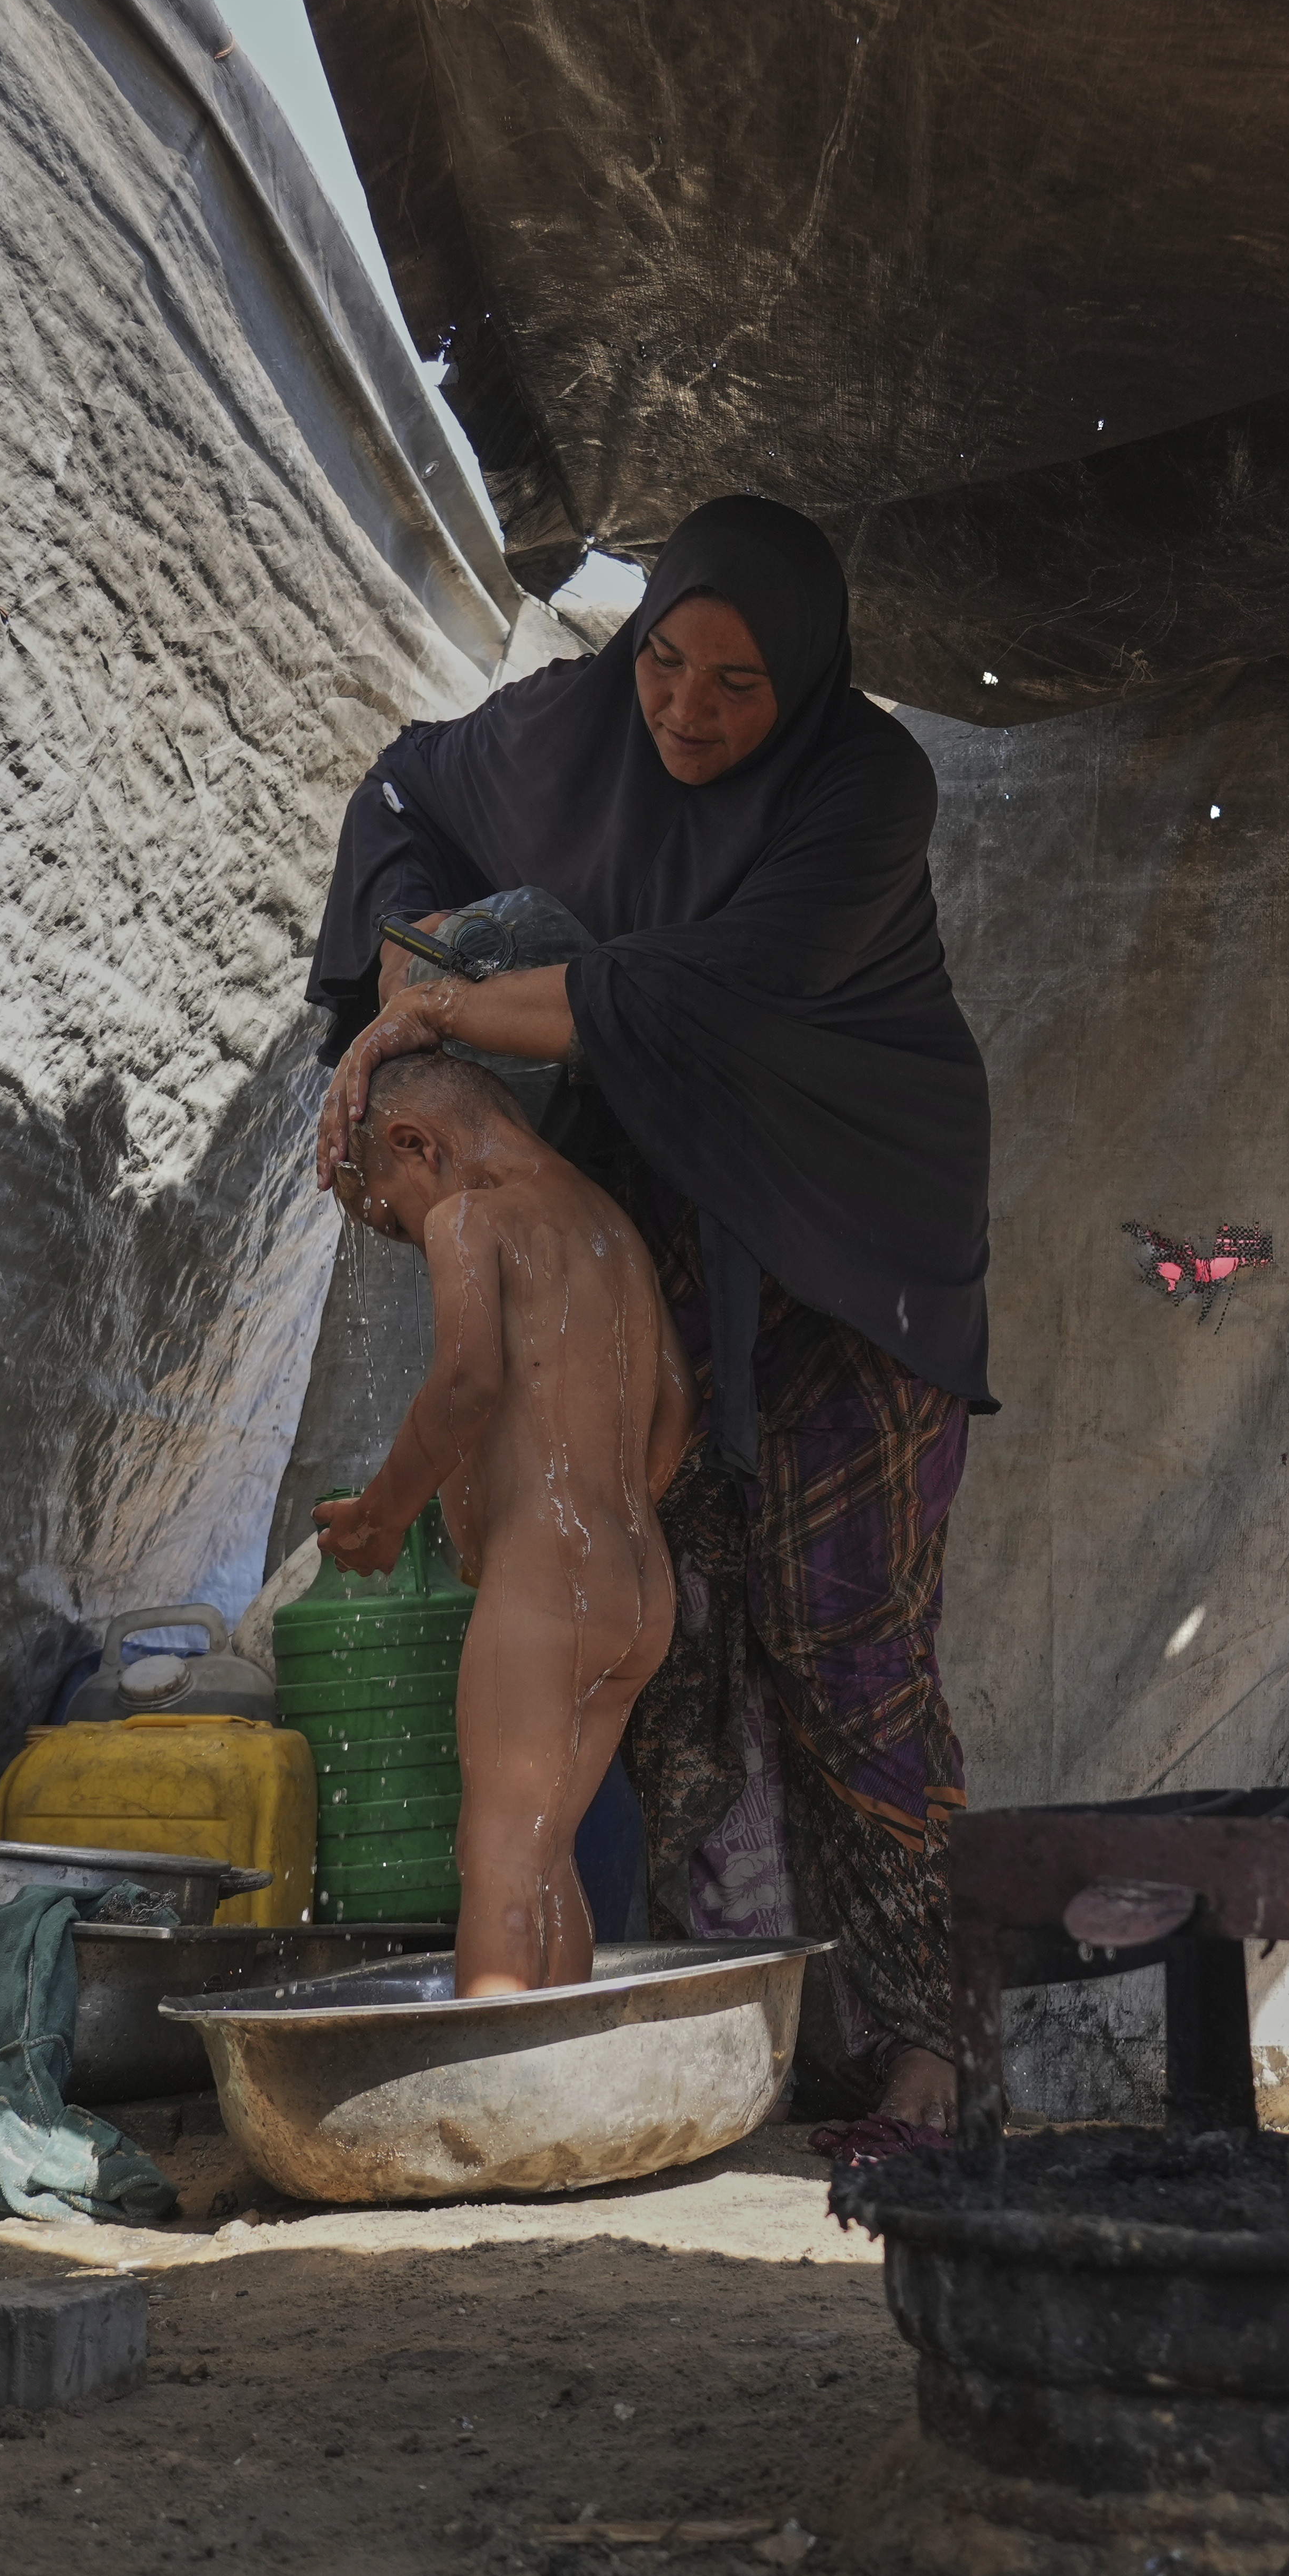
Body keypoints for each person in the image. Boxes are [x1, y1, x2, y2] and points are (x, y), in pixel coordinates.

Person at [307, 495, 992, 2133]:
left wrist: (447, 1008)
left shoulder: (862, 789)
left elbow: (697, 994)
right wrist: (420, 946)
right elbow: (405, 786)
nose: (684, 709)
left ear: (805, 686)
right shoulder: (563, 733)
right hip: (656, 1209)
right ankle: (723, 2019)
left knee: (846, 1646)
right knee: (667, 1661)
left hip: (848, 1238)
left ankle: (924, 2038)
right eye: (665, 662)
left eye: (736, 685)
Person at [313, 1044, 693, 1994]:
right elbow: (677, 1408)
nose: (407, 1235)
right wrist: (607, 1517)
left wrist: (381, 1514)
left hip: (548, 1583)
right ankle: (552, 2074)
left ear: (416, 1145)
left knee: (494, 1862)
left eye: (390, 1213)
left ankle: (484, 2098)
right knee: (545, 1846)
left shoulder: (471, 1215)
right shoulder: (610, 1225)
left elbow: (468, 1380)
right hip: (638, 1590)